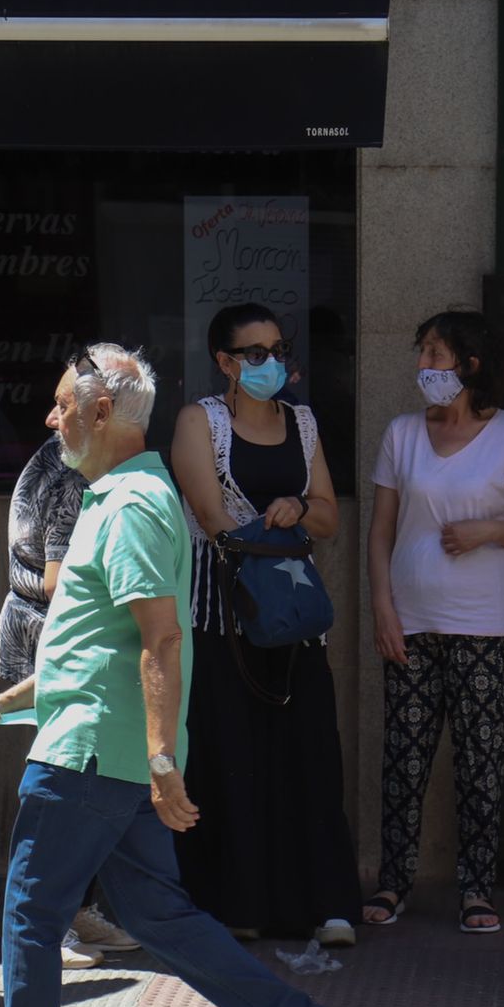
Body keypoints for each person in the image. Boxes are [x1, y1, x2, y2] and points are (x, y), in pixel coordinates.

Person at [0, 346, 352, 1007]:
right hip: (108, 748)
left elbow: (159, 641)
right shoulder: (116, 495)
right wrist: (6, 702)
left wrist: (165, 764)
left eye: (63, 403)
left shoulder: (130, 505)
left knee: (30, 913)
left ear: (102, 413)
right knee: (159, 917)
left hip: (90, 756)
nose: (51, 416)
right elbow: (89, 644)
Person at [170, 304, 361, 947]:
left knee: (310, 754)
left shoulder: (303, 423)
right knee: (232, 756)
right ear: (225, 362)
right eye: (254, 353)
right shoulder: (200, 421)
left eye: (277, 349)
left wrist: (301, 505)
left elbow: (331, 517)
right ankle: (238, 903)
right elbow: (207, 510)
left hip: (293, 618)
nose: (270, 362)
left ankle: (327, 903)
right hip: (222, 615)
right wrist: (274, 528)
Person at [364, 312, 504, 934]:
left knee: (481, 759)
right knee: (404, 759)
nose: (424, 365)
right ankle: (393, 884)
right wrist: (382, 607)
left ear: (469, 365)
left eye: (435, 353)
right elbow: (381, 529)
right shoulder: (402, 433)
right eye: (421, 352)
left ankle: (477, 890)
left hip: (487, 625)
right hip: (410, 620)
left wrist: (489, 530)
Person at [0, 415, 140, 969]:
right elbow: (61, 580)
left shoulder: (59, 457)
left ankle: (74, 911)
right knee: (60, 793)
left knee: (70, 789)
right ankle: (52, 925)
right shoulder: (74, 474)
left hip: (40, 632)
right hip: (52, 638)